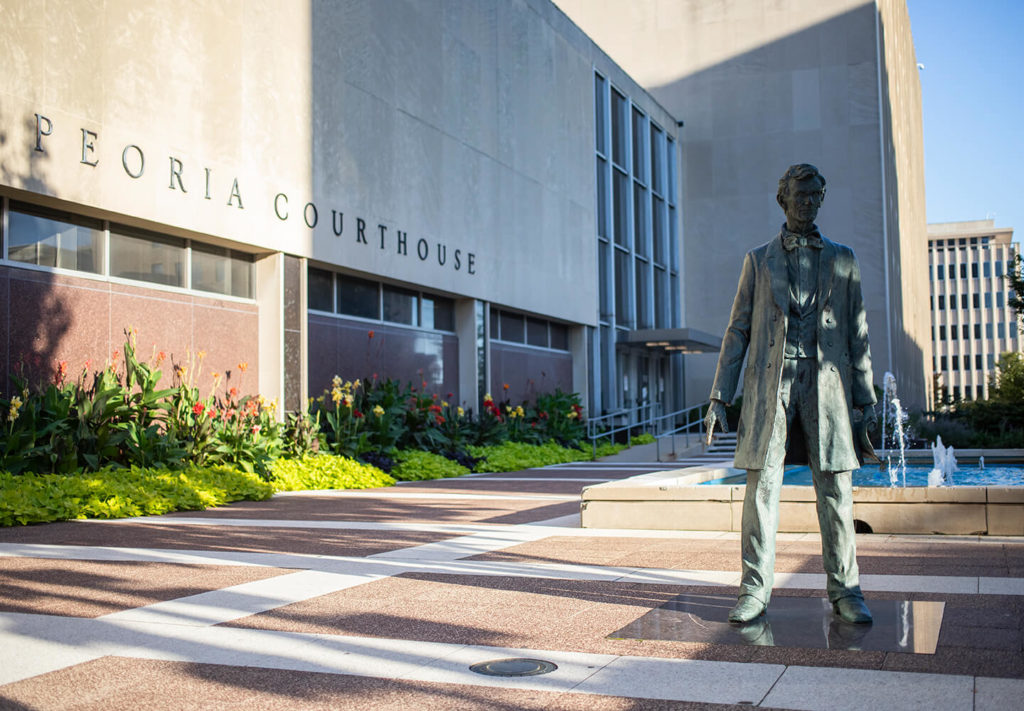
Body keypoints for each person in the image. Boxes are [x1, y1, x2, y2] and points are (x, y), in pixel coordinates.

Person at [704, 164, 876, 625]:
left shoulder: (843, 259)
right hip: (770, 388)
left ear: (823, 198)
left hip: (828, 388)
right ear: (783, 199)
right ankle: (754, 590)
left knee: (836, 489)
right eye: (799, 196)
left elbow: (858, 333)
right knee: (762, 490)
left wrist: (866, 398)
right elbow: (738, 330)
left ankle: (847, 589)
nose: (807, 203)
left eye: (815, 195)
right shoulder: (758, 260)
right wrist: (721, 394)